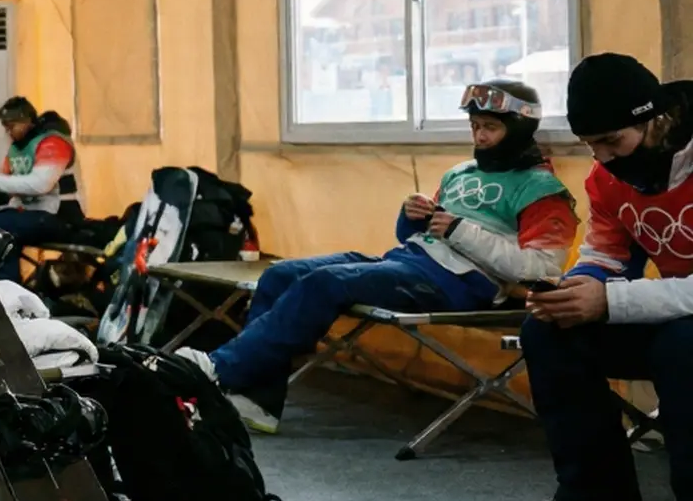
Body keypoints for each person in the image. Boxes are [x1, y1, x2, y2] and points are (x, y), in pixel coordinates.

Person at [190, 80, 575, 435]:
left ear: (520, 127)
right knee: (281, 274)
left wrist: (458, 229)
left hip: (457, 285)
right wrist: (411, 216)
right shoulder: (461, 172)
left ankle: (220, 368)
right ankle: (257, 402)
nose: (479, 136)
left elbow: (539, 270)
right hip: (408, 261)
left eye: (489, 127)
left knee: (325, 283)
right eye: (474, 126)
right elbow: (420, 237)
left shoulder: (542, 190)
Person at [517, 53, 692, 501]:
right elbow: (607, 252)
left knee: (683, 347)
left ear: (654, 120)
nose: (603, 159)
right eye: (591, 146)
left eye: (612, 142)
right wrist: (576, 288)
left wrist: (610, 303)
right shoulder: (607, 178)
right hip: (677, 309)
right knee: (551, 332)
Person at [0, 96, 83, 274]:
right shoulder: (17, 148)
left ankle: (8, 292)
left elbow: (41, 184)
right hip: (30, 214)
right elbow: (6, 184)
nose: (8, 132)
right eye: (5, 127)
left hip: (61, 216)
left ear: (27, 121)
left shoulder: (53, 143)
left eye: (12, 126)